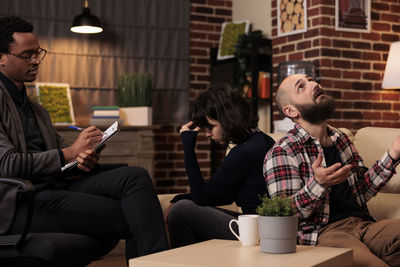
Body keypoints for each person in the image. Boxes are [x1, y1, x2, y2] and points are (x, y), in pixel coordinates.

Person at [0, 16, 168, 262]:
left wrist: (83, 158)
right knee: (134, 216)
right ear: (1, 58)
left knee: (135, 176)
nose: (36, 61)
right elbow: (7, 164)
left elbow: (63, 156)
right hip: (21, 201)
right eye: (27, 55)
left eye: (38, 53)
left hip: (53, 185)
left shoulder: (37, 110)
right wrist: (70, 153)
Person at [264, 73, 400, 266]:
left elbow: (361, 191)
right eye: (301, 86)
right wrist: (318, 184)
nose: (313, 84)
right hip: (325, 233)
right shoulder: (281, 152)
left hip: (365, 224)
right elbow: (285, 214)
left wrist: (393, 154)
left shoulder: (340, 139)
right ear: (291, 111)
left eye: (311, 80)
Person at [166, 84, 275, 248]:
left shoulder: (243, 152)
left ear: (227, 117)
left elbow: (202, 197)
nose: (207, 134)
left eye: (210, 127)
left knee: (180, 211)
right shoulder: (261, 140)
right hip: (258, 227)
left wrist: (188, 146)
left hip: (257, 234)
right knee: (183, 205)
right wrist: (181, 197)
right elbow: (224, 196)